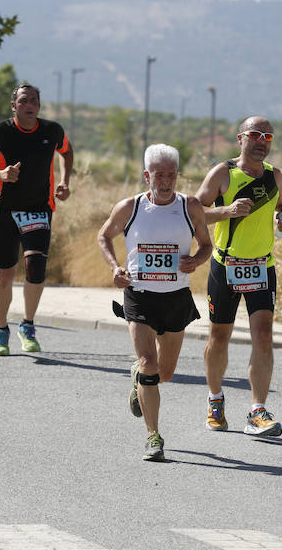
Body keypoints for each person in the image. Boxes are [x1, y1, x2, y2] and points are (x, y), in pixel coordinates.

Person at [98, 144, 212, 461]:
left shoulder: (190, 206)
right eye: (159, 175)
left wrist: (197, 261)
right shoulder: (129, 207)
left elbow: (207, 245)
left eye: (171, 175)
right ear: (147, 175)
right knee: (150, 364)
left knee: (167, 372)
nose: (165, 181)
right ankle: (153, 437)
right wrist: (115, 269)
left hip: (175, 297)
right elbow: (103, 236)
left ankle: (140, 378)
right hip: (140, 296)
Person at [194, 116, 282, 437]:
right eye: (255, 134)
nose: (262, 141)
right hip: (226, 266)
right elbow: (194, 211)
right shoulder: (223, 173)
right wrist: (227, 211)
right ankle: (215, 400)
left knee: (263, 336)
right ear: (241, 138)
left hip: (262, 266)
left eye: (268, 136)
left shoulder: (274, 176)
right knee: (219, 338)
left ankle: (257, 410)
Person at [0, 83, 73, 356]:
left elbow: (67, 151)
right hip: (4, 210)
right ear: (14, 106)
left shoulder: (52, 131)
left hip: (39, 208)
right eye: (24, 100)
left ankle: (28, 324)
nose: (29, 104)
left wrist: (65, 181)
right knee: (5, 274)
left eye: (34, 100)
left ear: (39, 104)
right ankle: (1, 329)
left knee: (36, 266)